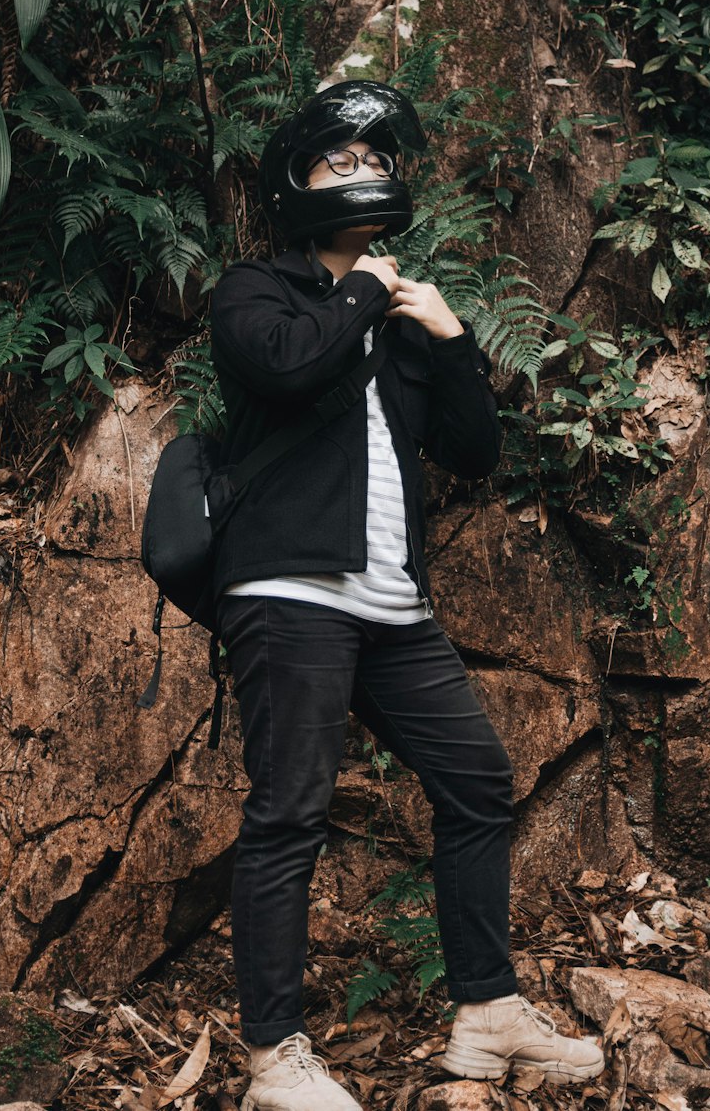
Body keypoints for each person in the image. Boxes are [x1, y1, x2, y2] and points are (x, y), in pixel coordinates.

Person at [208, 82, 605, 1110]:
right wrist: (361, 293)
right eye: (334, 162)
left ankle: (486, 1016)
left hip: (389, 603)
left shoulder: (406, 318)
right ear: (295, 185)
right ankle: (273, 1058)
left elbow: (471, 455)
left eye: (369, 157)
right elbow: (288, 373)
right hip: (289, 588)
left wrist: (453, 334)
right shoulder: (258, 291)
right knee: (289, 810)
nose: (357, 173)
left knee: (476, 779)